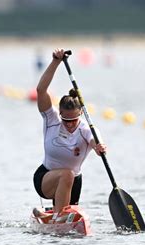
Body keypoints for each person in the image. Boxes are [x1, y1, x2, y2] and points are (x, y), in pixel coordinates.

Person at [33, 48, 107, 222]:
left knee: (69, 176)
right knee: (67, 174)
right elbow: (41, 90)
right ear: (60, 115)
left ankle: (58, 216)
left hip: (74, 184)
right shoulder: (51, 119)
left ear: (80, 114)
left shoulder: (86, 130)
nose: (70, 124)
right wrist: (55, 62)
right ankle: (59, 216)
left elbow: (96, 140)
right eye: (66, 120)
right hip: (46, 178)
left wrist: (100, 147)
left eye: (74, 120)